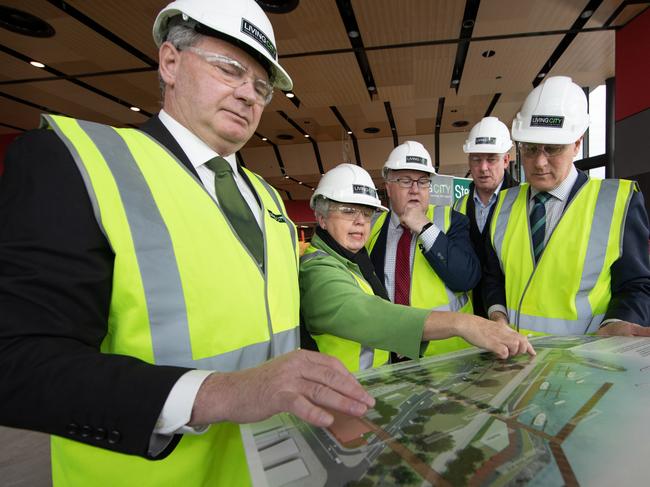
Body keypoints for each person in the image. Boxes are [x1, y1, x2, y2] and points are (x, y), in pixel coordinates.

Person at [0, 1, 374, 485]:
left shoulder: (269, 200)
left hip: (272, 468)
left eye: (262, 87)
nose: (247, 95)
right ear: (170, 62)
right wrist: (216, 394)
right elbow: (19, 363)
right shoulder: (80, 164)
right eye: (229, 69)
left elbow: (279, 328)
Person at [300, 164, 535, 372]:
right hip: (344, 394)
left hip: (434, 364)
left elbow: (467, 277)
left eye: (366, 212)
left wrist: (425, 228)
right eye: (348, 211)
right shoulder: (317, 270)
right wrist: (464, 323)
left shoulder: (350, 258)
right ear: (321, 218)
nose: (360, 221)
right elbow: (372, 314)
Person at [484, 75, 650, 336]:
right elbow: (493, 275)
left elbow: (636, 284)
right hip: (517, 362)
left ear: (577, 144)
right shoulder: (504, 203)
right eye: (529, 148)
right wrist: (497, 315)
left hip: (584, 364)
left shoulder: (617, 203)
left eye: (552, 149)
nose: (539, 162)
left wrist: (617, 321)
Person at [367, 141, 480, 356]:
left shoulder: (451, 220)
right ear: (388, 187)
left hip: (444, 355)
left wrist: (426, 229)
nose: (415, 190)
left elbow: (467, 278)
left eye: (423, 181)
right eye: (405, 181)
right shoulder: (372, 227)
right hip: (388, 352)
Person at [454, 117, 518, 317]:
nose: (483, 168)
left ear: (506, 160)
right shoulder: (458, 206)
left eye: (491, 159)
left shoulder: (524, 201)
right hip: (471, 314)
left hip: (513, 314)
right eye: (476, 159)